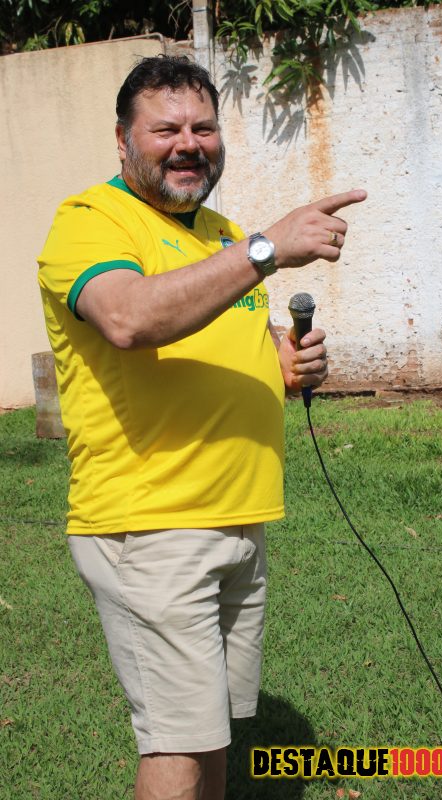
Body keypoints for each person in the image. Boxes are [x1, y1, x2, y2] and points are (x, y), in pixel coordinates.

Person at [37, 55, 366, 800]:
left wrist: (286, 362)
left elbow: (229, 337)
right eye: (165, 130)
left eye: (203, 128)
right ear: (122, 140)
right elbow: (128, 318)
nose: (188, 143)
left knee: (211, 736)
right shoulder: (90, 221)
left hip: (237, 520)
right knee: (177, 750)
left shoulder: (220, 234)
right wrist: (266, 249)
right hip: (152, 527)